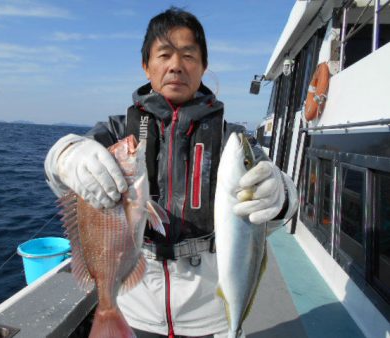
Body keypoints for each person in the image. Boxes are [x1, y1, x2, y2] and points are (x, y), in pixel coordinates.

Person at [44, 7, 298, 338]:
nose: (176, 65)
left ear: (203, 67)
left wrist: (280, 193)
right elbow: (57, 170)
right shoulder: (116, 132)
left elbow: (283, 201)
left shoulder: (234, 140)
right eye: (164, 54)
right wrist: (67, 155)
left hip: (211, 315)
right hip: (135, 309)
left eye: (189, 55)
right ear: (146, 66)